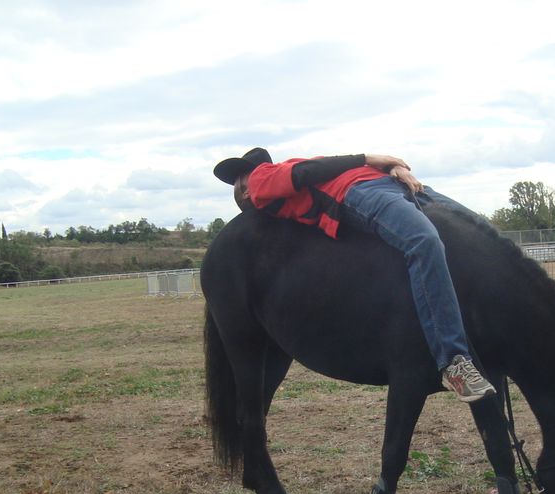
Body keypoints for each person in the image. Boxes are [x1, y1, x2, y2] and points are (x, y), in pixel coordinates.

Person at [213, 147, 496, 403]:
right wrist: (390, 167)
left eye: (238, 183)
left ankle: (454, 359)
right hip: (385, 183)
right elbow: (316, 171)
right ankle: (457, 359)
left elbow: (305, 173)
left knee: (426, 240)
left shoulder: (262, 178)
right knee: (478, 231)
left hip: (365, 188)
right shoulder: (278, 194)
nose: (239, 190)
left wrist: (377, 161)